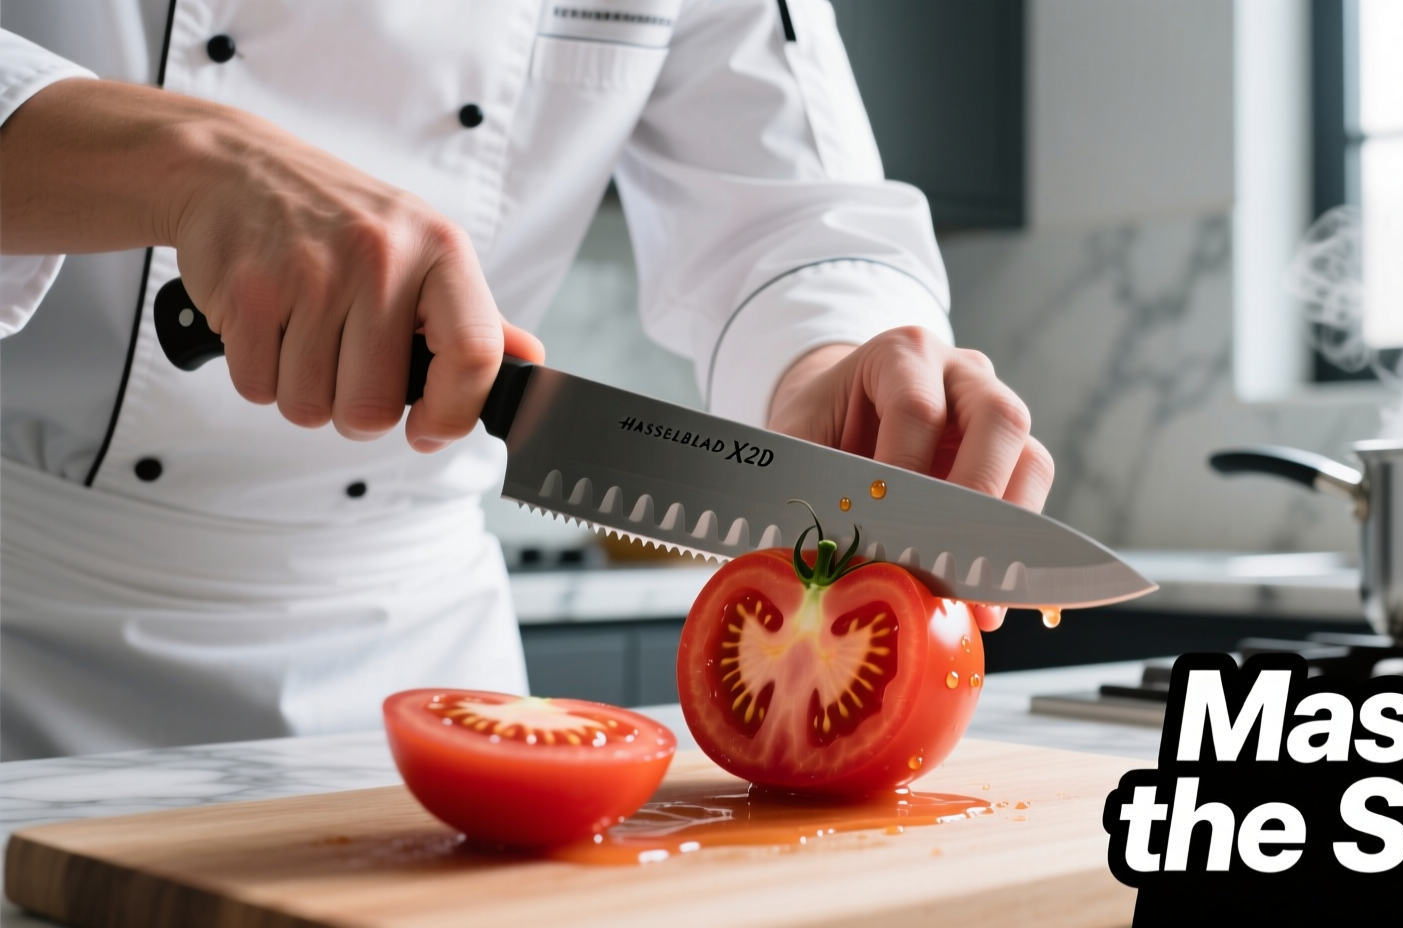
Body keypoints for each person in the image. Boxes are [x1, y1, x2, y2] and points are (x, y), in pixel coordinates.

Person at [0, 0, 1053, 760]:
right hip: (27, 630)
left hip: (421, 662)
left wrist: (837, 356)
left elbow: (792, 212)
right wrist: (187, 158)